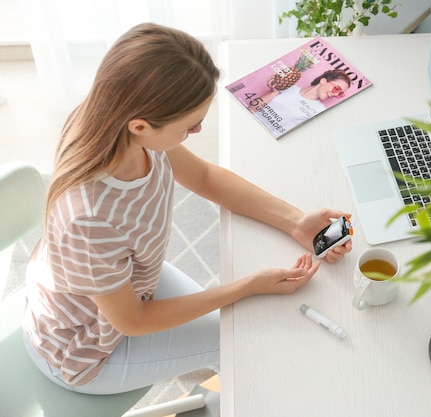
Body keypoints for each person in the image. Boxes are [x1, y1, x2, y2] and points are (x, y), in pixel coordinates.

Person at [22, 22, 352, 395]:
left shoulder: (115, 125)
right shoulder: (88, 218)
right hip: (87, 346)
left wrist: (295, 222)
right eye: (190, 127)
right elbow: (132, 321)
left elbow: (206, 177)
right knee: (241, 340)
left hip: (122, 282)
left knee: (241, 323)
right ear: (141, 125)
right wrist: (247, 286)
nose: (195, 134)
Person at [251, 69, 351, 134]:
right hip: (250, 123)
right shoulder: (289, 87)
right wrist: (273, 92)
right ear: (323, 81)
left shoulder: (319, 110)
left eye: (340, 93)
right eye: (337, 89)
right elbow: (252, 109)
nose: (336, 94)